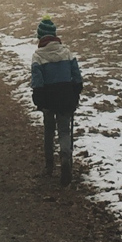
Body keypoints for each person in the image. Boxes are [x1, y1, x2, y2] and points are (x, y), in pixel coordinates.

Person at [30, 17, 82, 184]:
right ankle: (66, 160)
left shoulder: (38, 56)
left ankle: (49, 166)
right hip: (66, 95)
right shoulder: (67, 52)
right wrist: (75, 94)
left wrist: (38, 99)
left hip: (48, 97)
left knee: (49, 131)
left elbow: (37, 82)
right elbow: (77, 78)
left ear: (40, 37)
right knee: (65, 131)